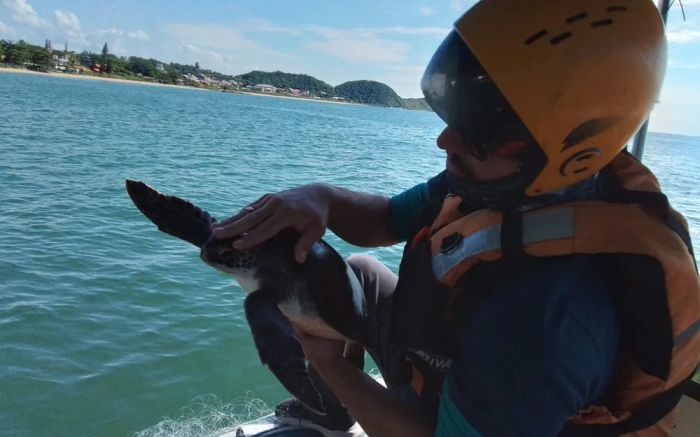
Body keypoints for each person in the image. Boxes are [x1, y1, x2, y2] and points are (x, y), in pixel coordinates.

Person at [213, 1, 700, 436]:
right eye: (455, 117)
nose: (445, 142)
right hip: (445, 366)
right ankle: (332, 412)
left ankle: (338, 399)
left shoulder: (542, 321)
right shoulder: (514, 180)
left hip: (471, 413)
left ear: (566, 154)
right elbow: (385, 219)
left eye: (481, 134)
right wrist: (320, 198)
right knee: (359, 270)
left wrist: (334, 369)